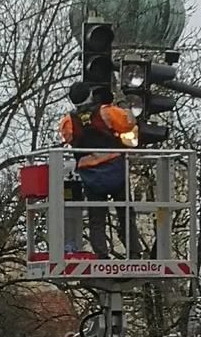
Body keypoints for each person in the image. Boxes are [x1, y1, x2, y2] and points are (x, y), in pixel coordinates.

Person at [57, 85, 140, 258]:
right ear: (90, 96)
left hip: (91, 176)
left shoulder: (68, 121)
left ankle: (101, 255)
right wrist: (124, 105)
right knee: (125, 213)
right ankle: (133, 252)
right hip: (115, 170)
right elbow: (129, 123)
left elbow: (67, 138)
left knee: (97, 218)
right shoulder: (107, 112)